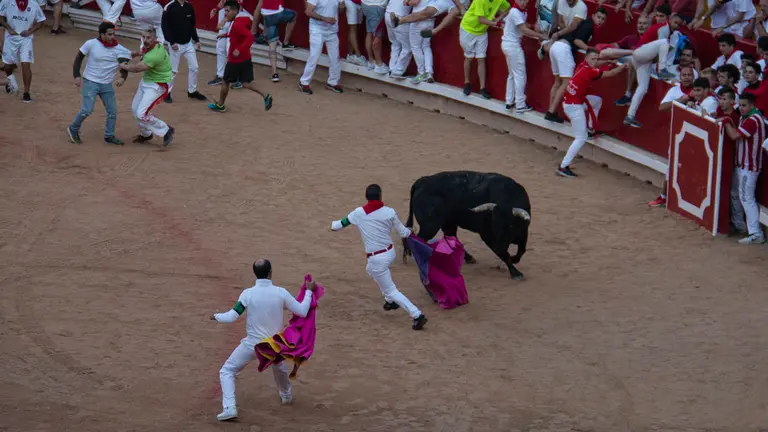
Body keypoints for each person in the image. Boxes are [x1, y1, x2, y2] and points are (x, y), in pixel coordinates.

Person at [210, 259, 318, 421]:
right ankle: (286, 395)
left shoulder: (247, 294)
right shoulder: (281, 293)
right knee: (279, 367)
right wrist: (309, 292)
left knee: (227, 371)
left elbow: (232, 316)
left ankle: (230, 407)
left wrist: (217, 316)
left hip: (251, 345)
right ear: (270, 272)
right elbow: (302, 311)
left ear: (255, 273)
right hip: (274, 345)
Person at [330, 184, 428, 330]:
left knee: (391, 289)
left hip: (377, 258)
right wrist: (411, 232)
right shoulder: (389, 212)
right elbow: (403, 233)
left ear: (366, 197)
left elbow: (338, 225)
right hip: (389, 253)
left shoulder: (359, 213)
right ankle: (389, 301)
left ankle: (416, 315)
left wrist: (331, 224)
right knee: (370, 270)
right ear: (380, 196)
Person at [557, 48, 627, 178]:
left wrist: (608, 61)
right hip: (574, 106)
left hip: (573, 102)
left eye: (596, 58)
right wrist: (623, 67)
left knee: (596, 101)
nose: (595, 61)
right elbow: (610, 74)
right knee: (580, 138)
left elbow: (597, 64)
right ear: (586, 58)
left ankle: (590, 129)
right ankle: (563, 166)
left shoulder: (582, 66)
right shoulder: (590, 71)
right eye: (592, 59)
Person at [68, 22, 132, 145]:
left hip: (106, 84)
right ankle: (73, 128)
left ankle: (109, 135)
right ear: (102, 34)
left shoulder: (119, 48)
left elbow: (123, 63)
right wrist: (76, 75)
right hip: (90, 82)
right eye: (109, 34)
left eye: (113, 34)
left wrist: (123, 77)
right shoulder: (91, 44)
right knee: (87, 110)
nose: (112, 37)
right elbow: (78, 58)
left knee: (112, 111)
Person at [542, 7, 607, 123]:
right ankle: (551, 112)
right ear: (593, 16)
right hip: (564, 49)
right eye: (598, 17)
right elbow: (577, 41)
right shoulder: (589, 25)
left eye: (603, 19)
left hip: (556, 46)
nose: (600, 20)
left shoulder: (586, 23)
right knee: (566, 83)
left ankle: (550, 111)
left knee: (557, 82)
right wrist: (592, 51)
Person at [208, 1, 274, 112]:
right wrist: (226, 35)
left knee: (225, 81)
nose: (226, 14)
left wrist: (239, 49)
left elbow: (250, 37)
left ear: (235, 11)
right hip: (246, 58)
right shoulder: (241, 20)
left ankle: (220, 105)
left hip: (235, 60)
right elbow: (239, 34)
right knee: (246, 83)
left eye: (228, 11)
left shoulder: (237, 24)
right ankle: (265, 95)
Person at [721, 92, 766, 244]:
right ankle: (741, 226)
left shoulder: (753, 120)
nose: (741, 108)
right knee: (738, 195)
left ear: (752, 105)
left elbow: (734, 136)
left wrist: (726, 122)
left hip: (749, 167)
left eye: (744, 105)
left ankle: (756, 233)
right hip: (743, 164)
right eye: (740, 105)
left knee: (747, 198)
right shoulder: (746, 117)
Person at [648, 64, 696, 207]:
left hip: (694, 135)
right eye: (684, 75)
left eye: (689, 75)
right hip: (678, 133)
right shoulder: (675, 90)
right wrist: (680, 100)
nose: (686, 78)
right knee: (672, 165)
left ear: (693, 77)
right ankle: (664, 195)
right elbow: (662, 107)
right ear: (680, 77)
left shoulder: (699, 90)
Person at [119, 27, 175, 147]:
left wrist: (123, 66)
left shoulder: (155, 55)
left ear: (155, 38)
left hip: (158, 85)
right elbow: (145, 52)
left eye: (148, 37)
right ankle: (146, 134)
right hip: (147, 81)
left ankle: (166, 130)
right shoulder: (152, 46)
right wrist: (138, 53)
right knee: (135, 110)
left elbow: (136, 68)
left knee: (141, 114)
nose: (145, 40)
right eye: (143, 37)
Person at [458, 0, 510, 98]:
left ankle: (482, 88)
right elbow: (481, 20)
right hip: (468, 29)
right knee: (469, 57)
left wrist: (499, 18)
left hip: (482, 31)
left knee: (481, 58)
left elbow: (508, 8)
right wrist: (496, 23)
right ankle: (467, 82)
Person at [502, 0, 546, 112]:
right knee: (520, 75)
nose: (524, 3)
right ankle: (520, 104)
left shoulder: (519, 11)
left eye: (526, 2)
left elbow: (522, 24)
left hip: (508, 44)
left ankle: (509, 101)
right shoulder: (515, 12)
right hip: (513, 46)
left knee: (512, 74)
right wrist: (540, 35)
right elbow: (523, 29)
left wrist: (532, 26)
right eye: (522, 0)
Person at [161, 0, 207, 102]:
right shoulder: (169, 7)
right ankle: (167, 93)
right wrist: (171, 42)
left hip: (188, 43)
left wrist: (196, 40)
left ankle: (192, 91)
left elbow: (192, 25)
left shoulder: (189, 7)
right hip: (175, 44)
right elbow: (165, 26)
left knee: (194, 67)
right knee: (173, 70)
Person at [1, 0, 46, 103]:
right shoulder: (6, 1)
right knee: (7, 67)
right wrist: (9, 28)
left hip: (26, 38)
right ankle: (10, 80)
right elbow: (0, 17)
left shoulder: (34, 4)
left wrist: (30, 31)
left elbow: (41, 21)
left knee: (26, 63)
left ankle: (26, 92)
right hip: (10, 37)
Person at [297, 0, 343, 94]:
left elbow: (340, 11)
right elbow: (308, 11)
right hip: (317, 30)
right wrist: (324, 19)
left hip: (332, 30)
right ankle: (303, 82)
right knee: (314, 56)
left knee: (335, 58)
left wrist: (342, 7)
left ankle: (333, 82)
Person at [252, 0, 297, 82]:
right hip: (278, 12)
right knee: (293, 16)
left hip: (266, 14)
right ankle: (286, 43)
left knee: (272, 44)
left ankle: (274, 73)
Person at [384, 0, 412, 80]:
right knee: (408, 47)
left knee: (395, 43)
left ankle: (392, 68)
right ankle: (397, 71)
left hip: (388, 13)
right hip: (400, 16)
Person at [361, 0, 388, 73]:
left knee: (369, 32)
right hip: (376, 5)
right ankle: (379, 64)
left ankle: (371, 61)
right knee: (377, 35)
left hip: (366, 4)